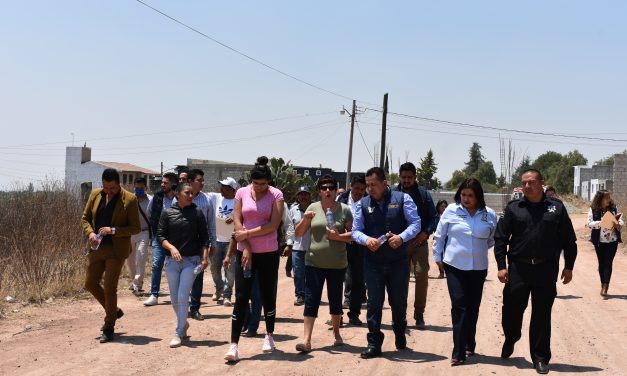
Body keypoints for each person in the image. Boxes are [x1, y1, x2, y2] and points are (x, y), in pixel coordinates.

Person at [495, 169, 577, 375]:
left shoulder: (556, 208)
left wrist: (569, 266)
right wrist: (501, 266)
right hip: (518, 269)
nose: (527, 186)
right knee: (512, 311)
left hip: (545, 269)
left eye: (531, 182)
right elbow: (501, 238)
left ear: (542, 183)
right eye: (524, 183)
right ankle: (511, 337)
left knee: (541, 315)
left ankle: (540, 357)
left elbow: (569, 240)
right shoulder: (514, 208)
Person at [352, 167, 421, 359]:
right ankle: (374, 342)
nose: (370, 189)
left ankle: (400, 331)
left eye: (373, 185)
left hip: (397, 262)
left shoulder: (402, 199)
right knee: (374, 303)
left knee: (398, 302)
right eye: (367, 185)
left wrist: (402, 237)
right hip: (373, 263)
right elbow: (356, 230)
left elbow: (416, 223)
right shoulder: (363, 204)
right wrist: (366, 240)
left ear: (385, 183)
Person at [223, 156, 285, 362]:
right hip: (245, 253)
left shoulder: (276, 195)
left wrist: (247, 236)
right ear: (251, 181)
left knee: (267, 294)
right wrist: (246, 246)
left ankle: (269, 335)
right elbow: (238, 221)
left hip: (268, 252)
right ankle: (233, 345)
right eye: (256, 184)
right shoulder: (241, 193)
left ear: (269, 181)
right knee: (241, 296)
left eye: (264, 184)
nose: (260, 187)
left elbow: (273, 225)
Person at [433, 179, 497, 365]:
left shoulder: (489, 214)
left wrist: (477, 249)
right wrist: (438, 257)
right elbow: (440, 235)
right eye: (463, 195)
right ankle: (458, 352)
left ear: (478, 197)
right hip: (454, 266)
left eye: (471, 195)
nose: (466, 199)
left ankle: (470, 343)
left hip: (478, 268)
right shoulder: (451, 211)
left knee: (473, 308)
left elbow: (492, 239)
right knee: (459, 306)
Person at [293, 175, 353, 352]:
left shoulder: (344, 210)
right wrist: (305, 219)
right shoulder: (312, 208)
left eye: (331, 188)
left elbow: (353, 236)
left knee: (335, 300)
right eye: (324, 188)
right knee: (311, 299)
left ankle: (336, 333)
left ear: (335, 191)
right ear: (319, 191)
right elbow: (298, 233)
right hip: (314, 263)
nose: (328, 191)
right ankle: (307, 340)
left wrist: (338, 237)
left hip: (337, 263)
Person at [81, 168, 141, 343]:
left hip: (116, 250)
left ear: (118, 184)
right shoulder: (95, 194)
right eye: (106, 188)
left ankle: (109, 326)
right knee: (90, 284)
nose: (108, 192)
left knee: (109, 288)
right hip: (97, 248)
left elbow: (135, 228)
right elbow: (85, 218)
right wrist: (90, 233)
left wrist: (113, 230)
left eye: (112, 188)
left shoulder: (129, 199)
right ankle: (113, 311)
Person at [156, 183, 210, 347]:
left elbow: (204, 238)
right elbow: (160, 236)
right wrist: (171, 248)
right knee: (174, 299)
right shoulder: (167, 213)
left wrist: (205, 258)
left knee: (182, 296)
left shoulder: (197, 212)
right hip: (172, 262)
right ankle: (183, 323)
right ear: (177, 194)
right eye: (187, 193)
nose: (191, 196)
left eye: (192, 193)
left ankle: (178, 332)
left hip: (191, 261)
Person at [394, 162, 437, 329]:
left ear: (415, 177)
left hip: (419, 242)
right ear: (400, 177)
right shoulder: (393, 194)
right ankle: (400, 314)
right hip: (399, 243)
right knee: (399, 280)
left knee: (421, 275)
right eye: (403, 177)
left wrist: (425, 233)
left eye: (409, 177)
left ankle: (419, 313)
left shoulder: (424, 195)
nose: (406, 180)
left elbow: (434, 218)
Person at [183, 169, 217, 321]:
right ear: (189, 181)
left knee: (197, 276)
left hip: (199, 244)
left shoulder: (206, 200)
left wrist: (213, 242)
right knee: (181, 275)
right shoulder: (180, 198)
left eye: (203, 180)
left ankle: (195, 308)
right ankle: (181, 307)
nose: (202, 183)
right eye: (199, 180)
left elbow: (211, 223)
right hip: (182, 243)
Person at [337, 174, 368, 325]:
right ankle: (337, 316)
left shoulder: (369, 201)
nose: (359, 192)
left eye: (362, 189)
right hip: (341, 244)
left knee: (358, 281)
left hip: (359, 247)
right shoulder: (341, 199)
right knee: (336, 279)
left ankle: (354, 314)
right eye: (356, 188)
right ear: (351, 187)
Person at [144, 172, 178, 306]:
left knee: (173, 267)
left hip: (175, 240)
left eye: (165, 182)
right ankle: (154, 294)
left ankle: (176, 295)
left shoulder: (179, 197)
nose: (162, 184)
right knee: (156, 264)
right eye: (162, 182)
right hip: (158, 237)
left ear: (173, 184)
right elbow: (149, 212)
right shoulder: (157, 197)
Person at [207, 177, 239, 307]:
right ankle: (219, 288)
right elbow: (201, 193)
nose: (221, 189)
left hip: (231, 242)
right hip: (216, 240)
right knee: (214, 268)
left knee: (230, 271)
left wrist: (234, 216)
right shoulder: (216, 198)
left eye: (225, 187)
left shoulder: (238, 202)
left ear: (232, 189)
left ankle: (227, 295)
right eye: (221, 186)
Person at [586, 190, 623, 298]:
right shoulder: (593, 209)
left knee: (608, 263)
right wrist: (601, 222)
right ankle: (603, 283)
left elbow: (621, 221)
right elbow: (589, 224)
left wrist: (618, 224)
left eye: (609, 197)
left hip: (612, 240)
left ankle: (605, 287)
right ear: (600, 199)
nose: (609, 200)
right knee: (601, 263)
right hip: (599, 241)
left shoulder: (614, 208)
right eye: (606, 198)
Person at [286, 186, 313, 306]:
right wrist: (289, 244)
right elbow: (290, 228)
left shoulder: (315, 210)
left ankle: (310, 295)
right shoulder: (293, 210)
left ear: (310, 196)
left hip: (312, 247)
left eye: (306, 194)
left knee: (310, 273)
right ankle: (300, 295)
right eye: (301, 194)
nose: (303, 197)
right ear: (298, 196)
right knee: (298, 273)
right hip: (297, 247)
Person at [126, 177, 152, 295]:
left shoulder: (151, 200)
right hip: (130, 233)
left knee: (141, 257)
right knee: (130, 260)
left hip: (144, 232)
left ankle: (137, 284)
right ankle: (133, 280)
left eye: (141, 188)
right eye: (137, 188)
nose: (139, 190)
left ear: (145, 188)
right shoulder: (129, 199)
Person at [435, 199, 449, 278]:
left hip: (448, 238)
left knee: (447, 256)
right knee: (438, 256)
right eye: (442, 206)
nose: (444, 208)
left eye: (445, 206)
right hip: (438, 238)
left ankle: (447, 272)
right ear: (438, 207)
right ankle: (441, 271)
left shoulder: (450, 215)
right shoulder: (436, 216)